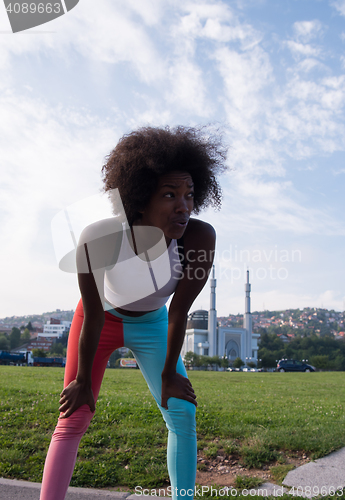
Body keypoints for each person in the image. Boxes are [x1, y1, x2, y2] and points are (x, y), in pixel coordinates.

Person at [40, 126, 227, 500]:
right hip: (100, 321)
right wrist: (80, 381)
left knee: (182, 414)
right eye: (170, 195)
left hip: (155, 324)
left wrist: (170, 373)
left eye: (189, 195)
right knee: (73, 416)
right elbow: (92, 314)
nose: (184, 206)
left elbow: (179, 311)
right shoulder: (99, 238)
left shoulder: (198, 238)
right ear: (140, 199)